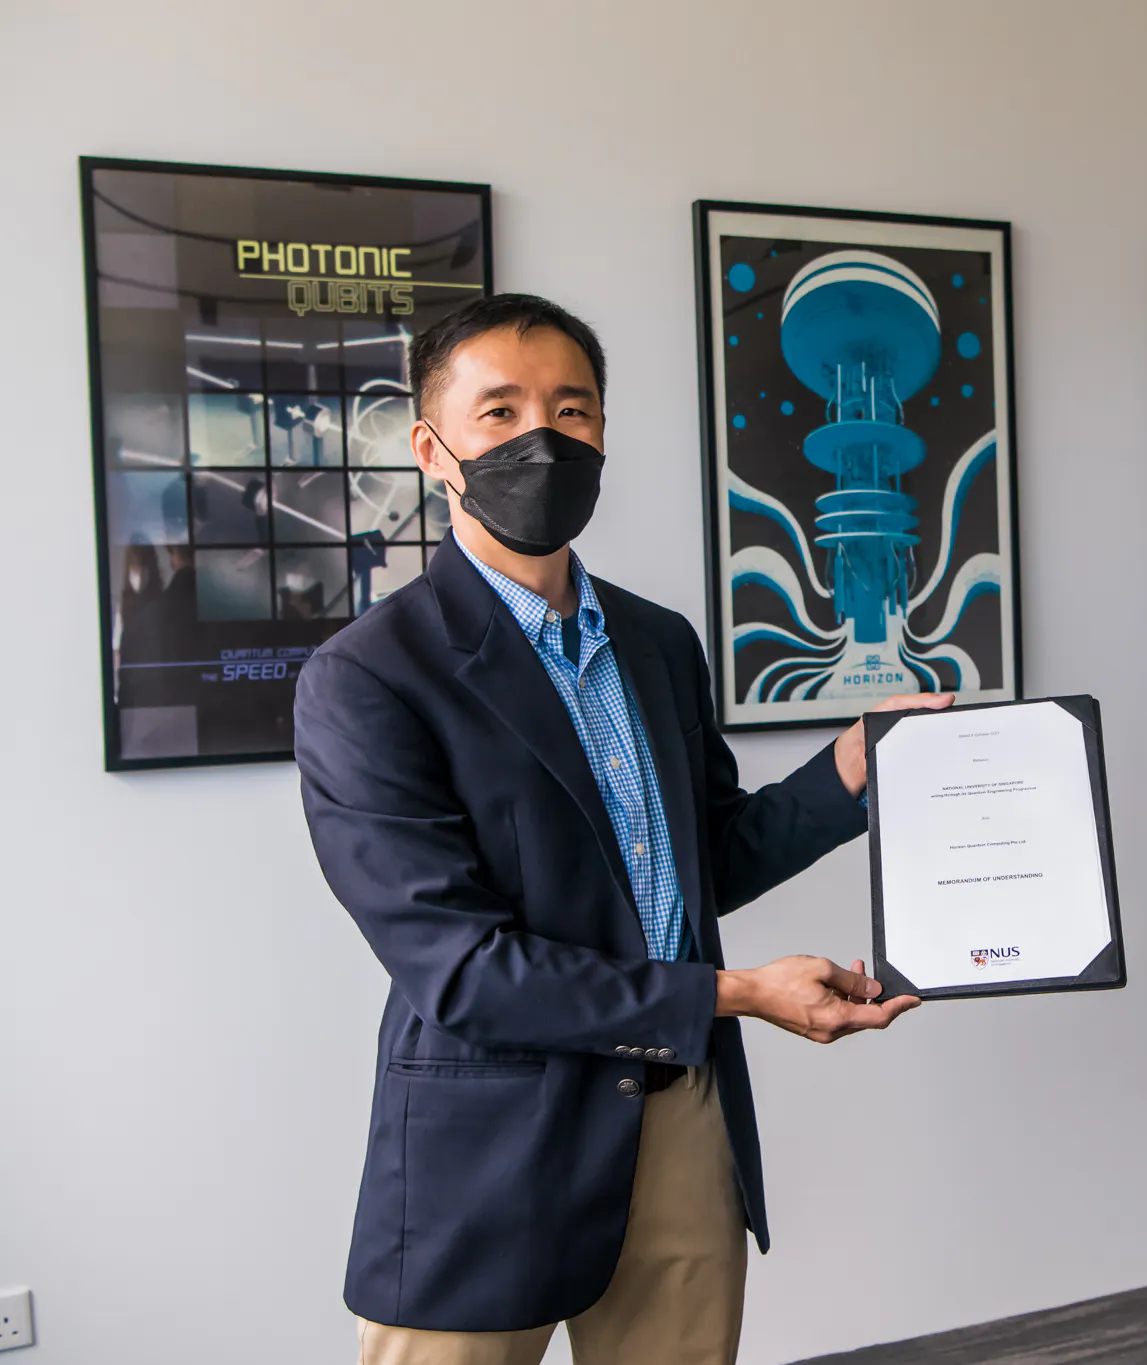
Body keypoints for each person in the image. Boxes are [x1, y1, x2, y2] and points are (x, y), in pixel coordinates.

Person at [294, 293, 946, 1365]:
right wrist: (735, 996)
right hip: (488, 1142)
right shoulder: (368, 678)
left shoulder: (654, 643)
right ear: (431, 448)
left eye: (572, 409)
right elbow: (459, 970)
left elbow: (701, 862)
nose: (541, 438)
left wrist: (847, 770)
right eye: (498, 413)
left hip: (679, 1117)